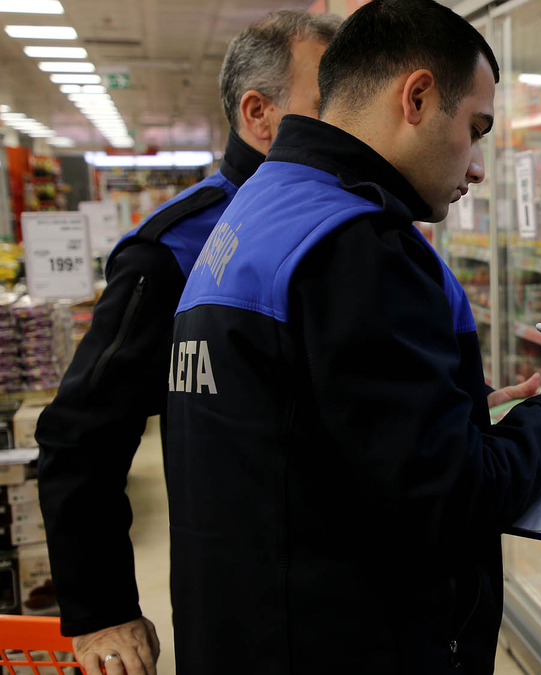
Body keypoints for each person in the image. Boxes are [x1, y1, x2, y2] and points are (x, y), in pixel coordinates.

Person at [165, 0, 541, 672]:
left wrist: (447, 413)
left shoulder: (259, 212)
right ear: (416, 97)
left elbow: (305, 435)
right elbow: (450, 501)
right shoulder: (358, 245)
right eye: (475, 128)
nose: (475, 165)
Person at [34, 10, 340, 675]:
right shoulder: (173, 247)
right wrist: (101, 606)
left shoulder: (351, 233)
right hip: (245, 611)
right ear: (260, 116)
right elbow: (79, 433)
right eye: (331, 103)